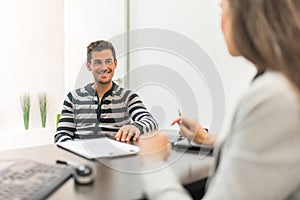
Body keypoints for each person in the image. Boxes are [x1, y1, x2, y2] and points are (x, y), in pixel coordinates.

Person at [138, 0, 300, 199]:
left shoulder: (275, 96)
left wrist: (154, 163)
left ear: (246, 18)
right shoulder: (284, 85)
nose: (221, 19)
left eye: (223, 9)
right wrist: (207, 140)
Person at [55, 40, 158, 143]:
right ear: (88, 66)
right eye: (97, 62)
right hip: (80, 156)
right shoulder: (73, 98)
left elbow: (151, 122)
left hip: (115, 156)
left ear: (115, 63)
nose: (104, 67)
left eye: (108, 61)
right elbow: (61, 135)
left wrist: (136, 127)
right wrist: (77, 150)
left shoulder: (128, 97)